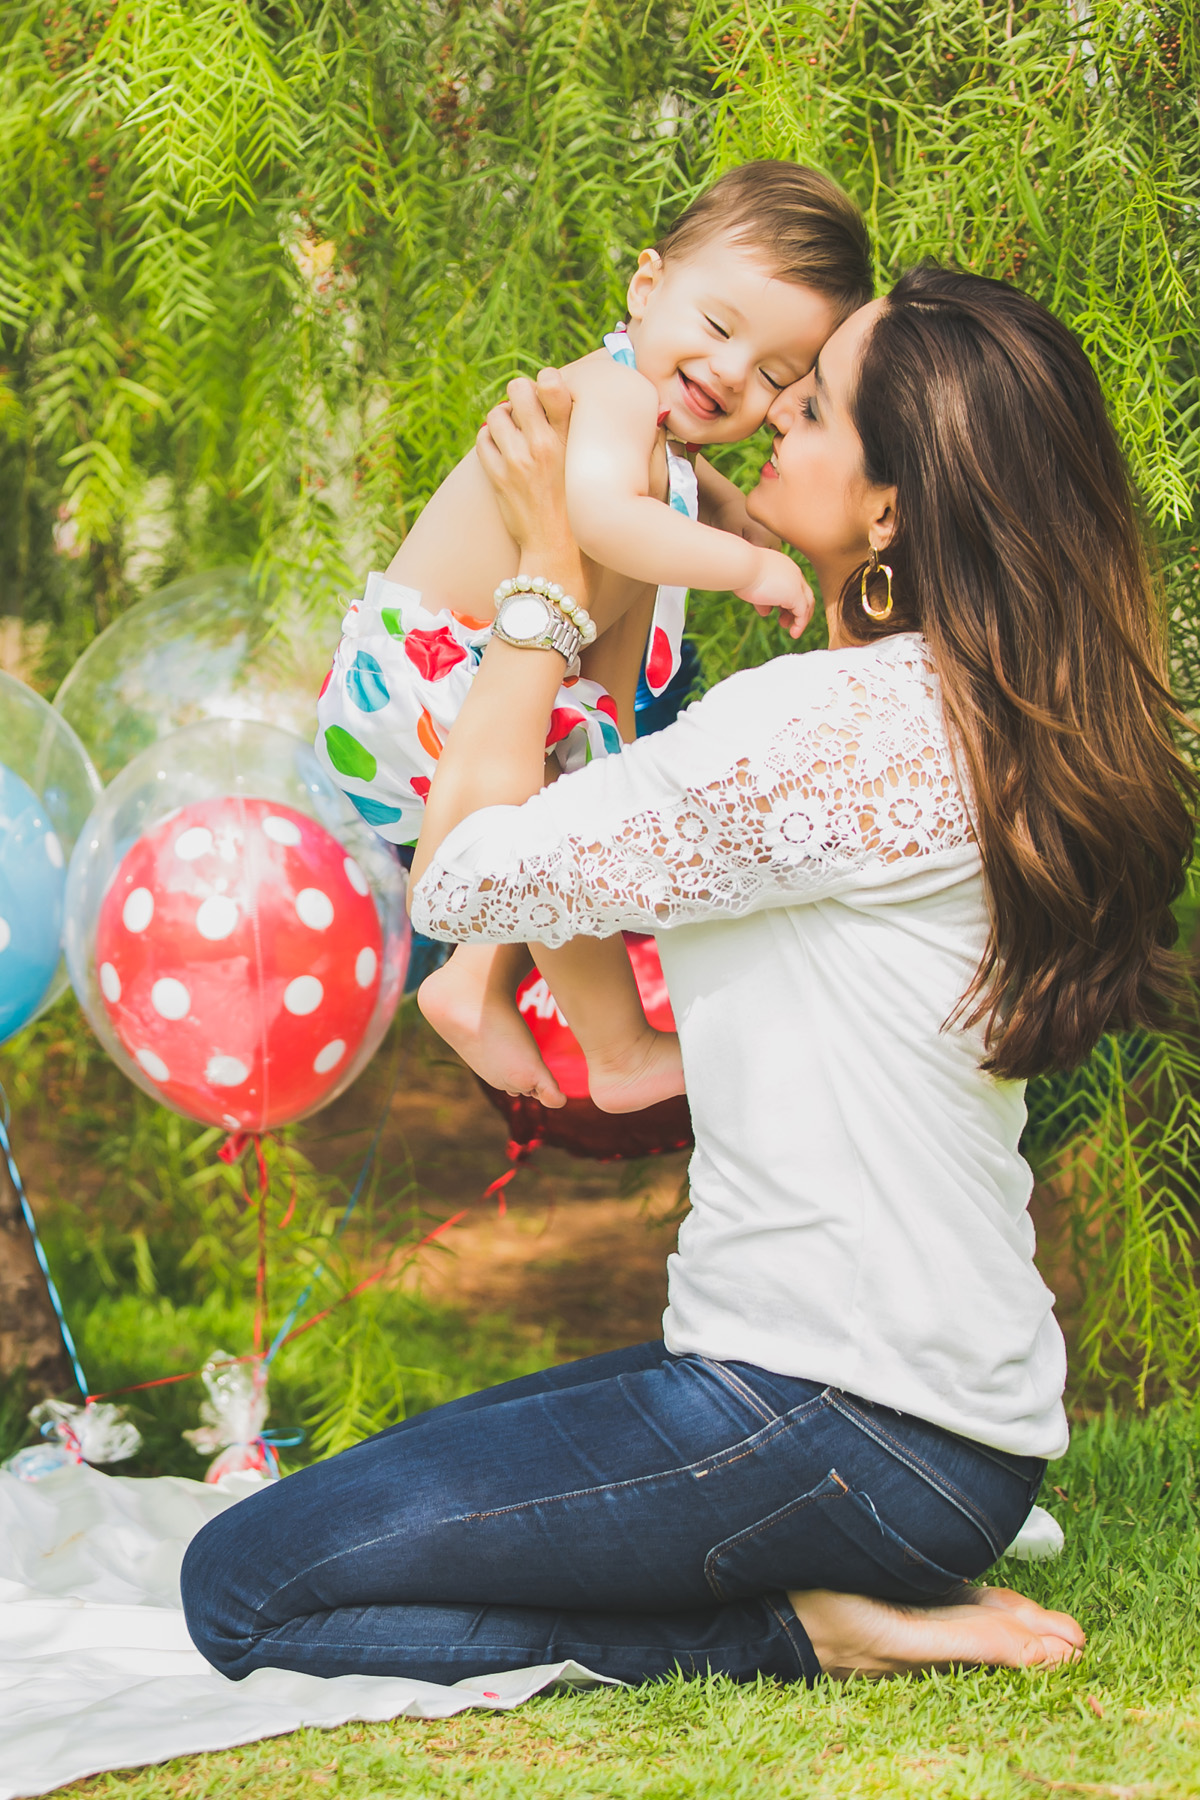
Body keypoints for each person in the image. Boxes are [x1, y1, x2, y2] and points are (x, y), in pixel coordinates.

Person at [182, 264, 1195, 1686]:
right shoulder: (970, 718)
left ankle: (794, 1634)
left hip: (834, 1424)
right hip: (943, 1432)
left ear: (893, 508)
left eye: (819, 403)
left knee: (240, 1585)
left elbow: (465, 873)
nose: (775, 412)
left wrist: (541, 572)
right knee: (383, 1491)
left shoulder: (818, 728)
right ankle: (830, 1585)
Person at [316, 162, 872, 1117]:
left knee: (561, 818)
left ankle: (471, 979)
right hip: (427, 678)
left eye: (777, 375)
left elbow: (694, 500)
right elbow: (602, 516)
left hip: (468, 688)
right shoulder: (611, 401)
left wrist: (750, 524)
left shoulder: (667, 445)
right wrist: (749, 569)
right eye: (718, 327)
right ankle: (612, 1047)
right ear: (647, 289)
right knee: (561, 811)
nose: (732, 373)